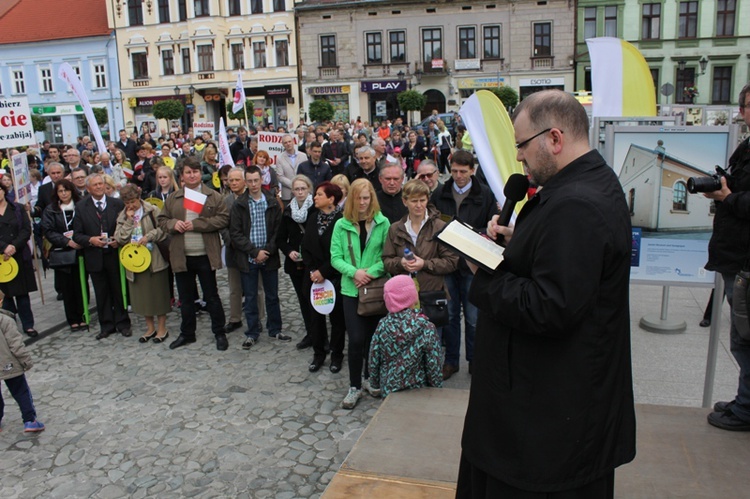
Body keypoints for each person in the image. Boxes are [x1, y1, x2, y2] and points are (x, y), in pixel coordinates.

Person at [456, 90, 635, 497]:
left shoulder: (578, 205)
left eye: (521, 145)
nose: (518, 157)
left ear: (554, 139)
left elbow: (550, 306)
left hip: (543, 429)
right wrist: (523, 241)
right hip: (547, 418)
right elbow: (570, 264)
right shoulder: (588, 185)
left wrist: (485, 271)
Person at [704, 82, 750, 431]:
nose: (746, 113)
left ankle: (746, 408)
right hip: (736, 256)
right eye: (747, 106)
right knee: (741, 336)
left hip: (746, 260)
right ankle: (744, 399)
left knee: (745, 336)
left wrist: (727, 197)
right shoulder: (746, 146)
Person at [430, 150, 496, 380]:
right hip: (448, 262)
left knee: (473, 317)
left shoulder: (484, 194)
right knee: (448, 315)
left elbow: (490, 229)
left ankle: (475, 360)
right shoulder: (440, 192)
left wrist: (468, 234)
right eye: (455, 171)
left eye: (463, 172)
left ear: (472, 170)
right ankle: (450, 361)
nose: (458, 176)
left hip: (472, 264)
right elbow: (434, 223)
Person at [330, 178, 390, 409]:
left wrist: (370, 273)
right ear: (352, 199)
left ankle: (369, 378)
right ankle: (354, 385)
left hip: (374, 288)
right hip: (351, 289)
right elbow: (335, 257)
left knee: (373, 340)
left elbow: (386, 256)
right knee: (355, 339)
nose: (363, 202)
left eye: (366, 198)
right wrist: (355, 273)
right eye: (359, 198)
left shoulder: (383, 223)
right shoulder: (341, 224)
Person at [158, 157, 229, 351]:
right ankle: (187, 333)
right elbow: (162, 219)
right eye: (188, 172)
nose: (192, 175)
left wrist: (196, 224)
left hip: (205, 254)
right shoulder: (174, 198)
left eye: (195, 172)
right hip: (182, 255)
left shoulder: (213, 196)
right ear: (182, 176)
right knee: (186, 298)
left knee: (211, 295)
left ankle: (219, 332)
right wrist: (174, 224)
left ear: (200, 174)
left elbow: (222, 219)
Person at [230, 166, 290, 349]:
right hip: (249, 258)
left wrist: (267, 251)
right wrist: (254, 252)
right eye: (250, 181)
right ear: (245, 181)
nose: (253, 184)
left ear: (261, 180)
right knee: (250, 297)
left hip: (269, 256)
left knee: (272, 295)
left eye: (256, 180)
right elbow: (236, 233)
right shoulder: (240, 204)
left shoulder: (271, 201)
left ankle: (275, 328)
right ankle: (252, 331)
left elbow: (277, 231)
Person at [382, 178, 458, 309]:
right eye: (414, 201)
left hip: (432, 295)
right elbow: (386, 261)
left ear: (427, 200)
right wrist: (401, 263)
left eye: (422, 200)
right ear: (405, 201)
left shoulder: (439, 226)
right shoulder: (395, 228)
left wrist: (424, 264)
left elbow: (452, 262)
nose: (419, 205)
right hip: (403, 297)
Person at [73, 174, 132, 340]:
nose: (99, 187)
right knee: (101, 293)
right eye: (95, 185)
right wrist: (90, 240)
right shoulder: (81, 206)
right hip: (94, 256)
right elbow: (77, 235)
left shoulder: (117, 204)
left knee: (118, 290)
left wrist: (118, 240)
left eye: (101, 184)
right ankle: (106, 325)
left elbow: (127, 225)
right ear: (88, 188)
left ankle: (123, 323)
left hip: (114, 254)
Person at [368, 274, 443, 397]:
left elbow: (374, 357)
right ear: (412, 297)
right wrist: (436, 387)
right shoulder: (426, 327)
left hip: (389, 390)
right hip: (419, 390)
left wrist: (375, 382)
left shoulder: (383, 325)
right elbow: (433, 363)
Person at [114, 185, 171, 344]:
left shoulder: (152, 210)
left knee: (158, 295)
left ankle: (162, 328)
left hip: (154, 259)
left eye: (133, 201)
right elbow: (119, 238)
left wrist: (149, 236)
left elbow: (164, 229)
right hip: (135, 262)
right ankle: (150, 327)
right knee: (143, 297)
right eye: (127, 203)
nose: (130, 206)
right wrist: (129, 222)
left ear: (139, 198)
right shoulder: (123, 216)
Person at [301, 181, 346, 373]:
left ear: (331, 199)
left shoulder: (342, 222)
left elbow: (341, 252)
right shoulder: (312, 218)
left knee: (337, 320)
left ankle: (337, 355)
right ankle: (318, 354)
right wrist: (313, 271)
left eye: (319, 194)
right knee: (315, 319)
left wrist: (324, 272)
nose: (315, 197)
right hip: (314, 279)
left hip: (334, 276)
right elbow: (306, 246)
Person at [41, 179, 86, 331]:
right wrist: (66, 241)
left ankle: (83, 314)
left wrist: (81, 239)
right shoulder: (51, 210)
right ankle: (73, 318)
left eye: (66, 190)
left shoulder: (81, 206)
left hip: (81, 250)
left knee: (81, 284)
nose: (64, 193)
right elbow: (48, 231)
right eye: (60, 191)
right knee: (67, 287)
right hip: (63, 252)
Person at [277, 175, 316, 350]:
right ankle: (310, 333)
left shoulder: (315, 210)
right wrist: (289, 251)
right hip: (295, 263)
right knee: (302, 298)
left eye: (303, 189)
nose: (300, 192)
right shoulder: (287, 211)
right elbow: (280, 239)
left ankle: (319, 333)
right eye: (297, 189)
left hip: (312, 263)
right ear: (292, 191)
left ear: (309, 189)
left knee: (314, 298)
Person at [0, 182, 39, 338]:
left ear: (3, 191)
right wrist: (4, 248)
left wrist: (14, 246)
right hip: (2, 258)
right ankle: (10, 325)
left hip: (19, 254)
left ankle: (28, 324)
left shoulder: (17, 208)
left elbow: (26, 229)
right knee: (6, 294)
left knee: (22, 294)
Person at [0, 299, 44, 433]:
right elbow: (16, 345)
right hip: (9, 363)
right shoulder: (5, 320)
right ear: (1, 301)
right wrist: (26, 361)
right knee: (21, 391)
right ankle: (30, 420)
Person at [221, 167, 246, 334]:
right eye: (231, 180)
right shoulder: (226, 201)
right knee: (235, 287)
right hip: (233, 250)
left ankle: (258, 317)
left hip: (251, 249)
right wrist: (231, 241)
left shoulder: (252, 198)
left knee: (256, 288)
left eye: (237, 180)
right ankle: (235, 318)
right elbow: (222, 225)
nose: (234, 183)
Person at [276, 134, 308, 206]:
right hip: (288, 194)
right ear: (283, 145)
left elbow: (306, 172)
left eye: (289, 141)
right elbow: (280, 176)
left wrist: (300, 185)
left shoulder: (303, 156)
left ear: (293, 142)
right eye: (285, 142)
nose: (288, 144)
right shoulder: (279, 158)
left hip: (302, 192)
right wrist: (293, 185)